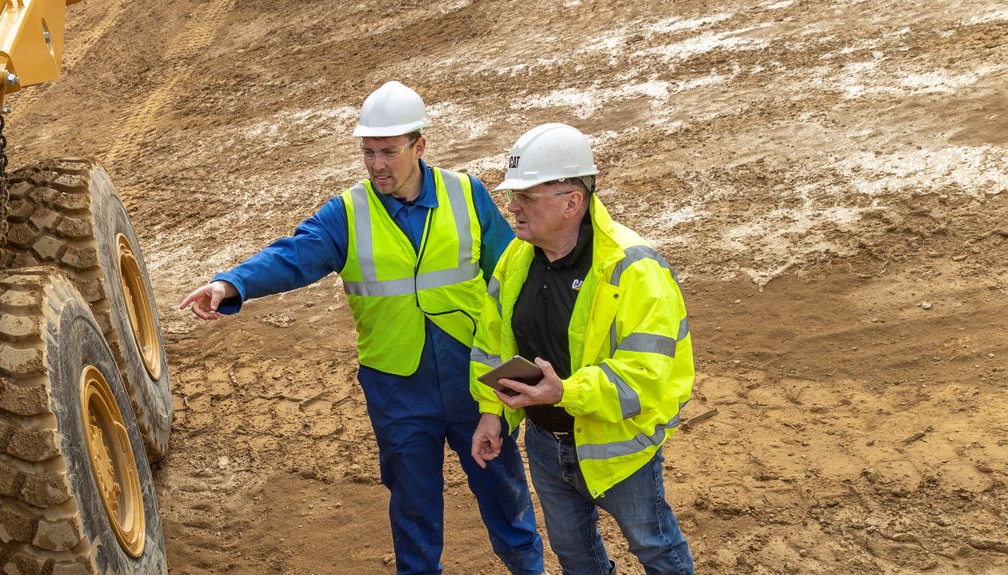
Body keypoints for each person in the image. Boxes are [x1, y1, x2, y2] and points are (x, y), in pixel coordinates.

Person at [180, 81, 545, 575]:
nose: (377, 165)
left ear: (420, 146)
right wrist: (230, 285)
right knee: (413, 506)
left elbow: (513, 272)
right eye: (368, 152)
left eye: (389, 152)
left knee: (504, 491)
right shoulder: (347, 213)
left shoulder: (467, 195)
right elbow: (293, 256)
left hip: (476, 377)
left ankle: (529, 568)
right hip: (397, 386)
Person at [468, 123, 696, 575]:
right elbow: (493, 343)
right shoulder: (517, 257)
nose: (511, 207)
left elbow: (644, 376)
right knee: (574, 556)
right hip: (545, 444)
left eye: (526, 197)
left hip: (618, 446)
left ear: (572, 201)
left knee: (654, 547)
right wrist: (492, 412)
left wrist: (565, 393)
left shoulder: (634, 269)